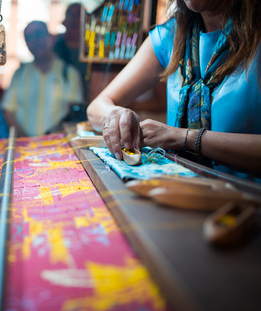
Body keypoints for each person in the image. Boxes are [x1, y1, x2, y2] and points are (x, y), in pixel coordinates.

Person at [87, 0, 261, 181]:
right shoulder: (171, 35)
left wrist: (185, 138)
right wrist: (117, 115)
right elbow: (97, 107)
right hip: (178, 195)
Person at [2, 21, 84, 137]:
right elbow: (8, 110)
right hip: (24, 147)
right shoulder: (19, 75)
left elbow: (74, 114)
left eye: (39, 34)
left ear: (51, 38)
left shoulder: (70, 74)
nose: (35, 41)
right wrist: (24, 139)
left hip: (59, 147)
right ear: (26, 44)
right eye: (29, 38)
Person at [54, 2, 89, 101]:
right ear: (64, 22)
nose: (74, 20)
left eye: (78, 15)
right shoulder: (54, 49)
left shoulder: (93, 51)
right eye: (70, 15)